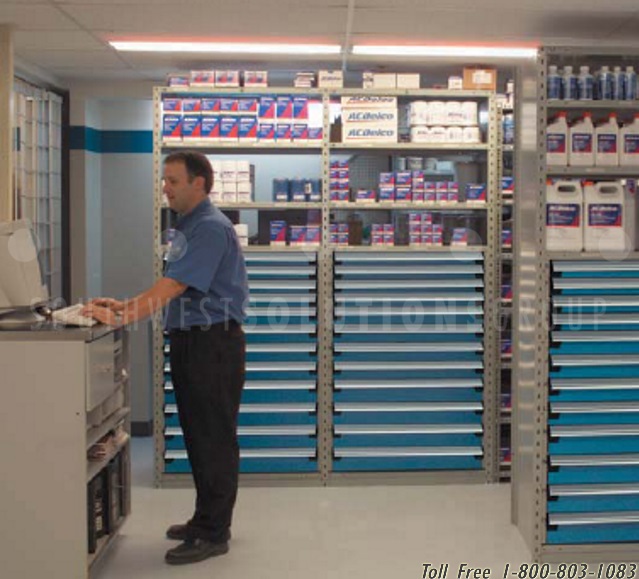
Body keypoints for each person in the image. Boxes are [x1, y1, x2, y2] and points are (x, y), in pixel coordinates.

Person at [83, 150, 249, 566]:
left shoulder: (209, 227)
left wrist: (127, 312)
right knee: (198, 435)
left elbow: (175, 285)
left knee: (213, 438)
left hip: (212, 345)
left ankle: (214, 532)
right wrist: (123, 308)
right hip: (195, 342)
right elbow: (169, 284)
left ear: (200, 183)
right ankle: (205, 519)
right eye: (165, 180)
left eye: (174, 180)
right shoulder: (188, 226)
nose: (166, 187)